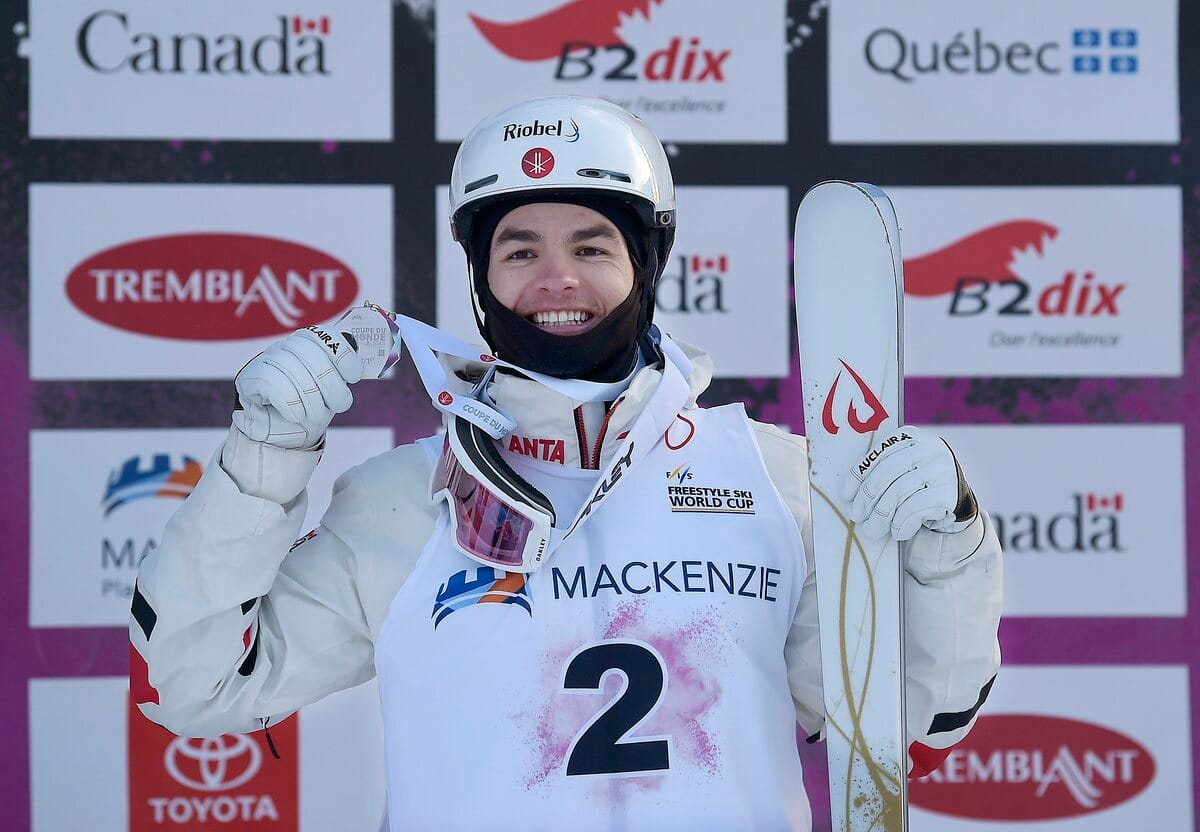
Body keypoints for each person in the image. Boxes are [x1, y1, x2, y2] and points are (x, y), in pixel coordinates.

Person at [130, 96, 1002, 831]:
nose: (557, 279)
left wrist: (950, 551)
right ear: (481, 278)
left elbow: (918, 715)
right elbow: (197, 689)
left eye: (591, 247)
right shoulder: (399, 504)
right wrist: (264, 456)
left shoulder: (773, 480)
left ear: (646, 262)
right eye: (520, 251)